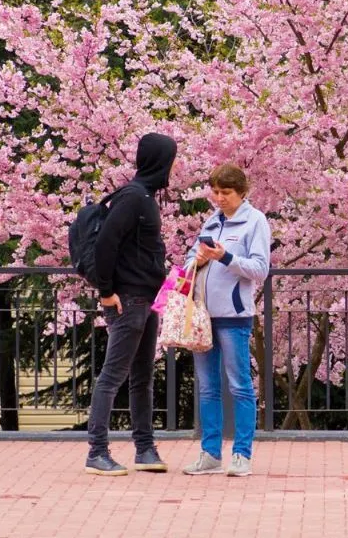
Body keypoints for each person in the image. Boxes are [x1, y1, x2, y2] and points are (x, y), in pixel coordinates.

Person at [85, 132, 177, 476]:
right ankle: (96, 451)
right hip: (128, 298)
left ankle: (145, 447)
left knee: (142, 377)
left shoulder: (145, 197)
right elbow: (106, 244)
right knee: (112, 376)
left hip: (147, 298)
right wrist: (106, 291)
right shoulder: (134, 198)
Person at [180, 164, 271, 478]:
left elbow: (260, 269)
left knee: (240, 386)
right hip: (203, 316)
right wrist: (199, 259)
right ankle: (209, 453)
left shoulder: (255, 222)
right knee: (207, 388)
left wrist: (226, 258)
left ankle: (242, 454)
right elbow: (189, 261)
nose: (219, 198)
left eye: (226, 193)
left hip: (233, 317)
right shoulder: (212, 221)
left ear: (242, 192)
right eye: (215, 192)